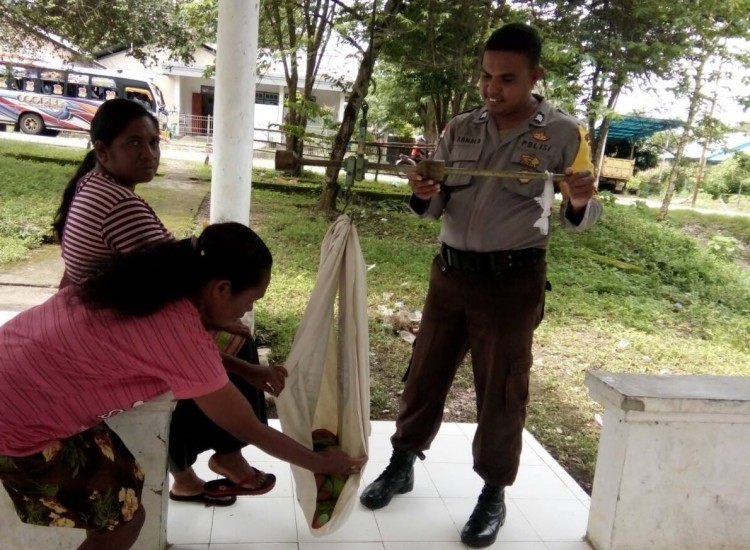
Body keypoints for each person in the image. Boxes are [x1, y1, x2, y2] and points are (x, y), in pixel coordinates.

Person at [359, 22, 602, 548]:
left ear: (535, 76)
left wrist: (579, 198)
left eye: (507, 79)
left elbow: (580, 214)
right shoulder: (460, 128)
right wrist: (424, 190)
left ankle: (493, 493)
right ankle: (402, 463)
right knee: (424, 373)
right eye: (486, 77)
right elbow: (434, 206)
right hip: (449, 276)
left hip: (512, 283)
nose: (492, 89)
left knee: (502, 390)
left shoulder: (563, 133)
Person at [0, 222, 367, 550]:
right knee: (124, 521)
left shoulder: (159, 283)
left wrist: (244, 369)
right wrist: (320, 462)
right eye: (251, 300)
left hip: (17, 369)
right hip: (17, 417)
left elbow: (162, 350)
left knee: (128, 483)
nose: (245, 313)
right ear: (221, 288)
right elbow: (249, 428)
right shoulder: (180, 330)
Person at [52, 98, 286, 506]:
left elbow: (165, 271)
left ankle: (189, 477)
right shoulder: (120, 207)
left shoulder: (93, 183)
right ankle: (226, 458)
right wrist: (237, 355)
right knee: (229, 349)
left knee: (225, 341)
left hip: (101, 318)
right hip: (109, 335)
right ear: (102, 150)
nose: (149, 154)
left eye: (154, 143)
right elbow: (174, 294)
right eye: (134, 144)